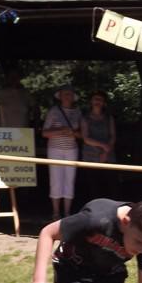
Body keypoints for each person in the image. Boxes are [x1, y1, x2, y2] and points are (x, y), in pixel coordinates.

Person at [42, 84, 82, 220]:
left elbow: (82, 134)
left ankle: (67, 212)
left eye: (69, 94)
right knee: (55, 180)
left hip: (71, 149)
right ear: (60, 96)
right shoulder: (53, 111)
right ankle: (56, 212)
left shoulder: (78, 112)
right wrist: (61, 131)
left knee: (69, 181)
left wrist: (73, 133)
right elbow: (44, 132)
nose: (67, 96)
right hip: (55, 149)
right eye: (65, 93)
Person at [81, 90, 116, 201]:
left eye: (100, 99)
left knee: (111, 186)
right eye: (95, 99)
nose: (97, 101)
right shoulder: (85, 118)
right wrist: (103, 146)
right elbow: (86, 138)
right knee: (94, 188)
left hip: (108, 157)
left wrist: (105, 152)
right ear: (91, 102)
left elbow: (113, 135)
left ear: (104, 103)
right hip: (91, 157)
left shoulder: (109, 118)